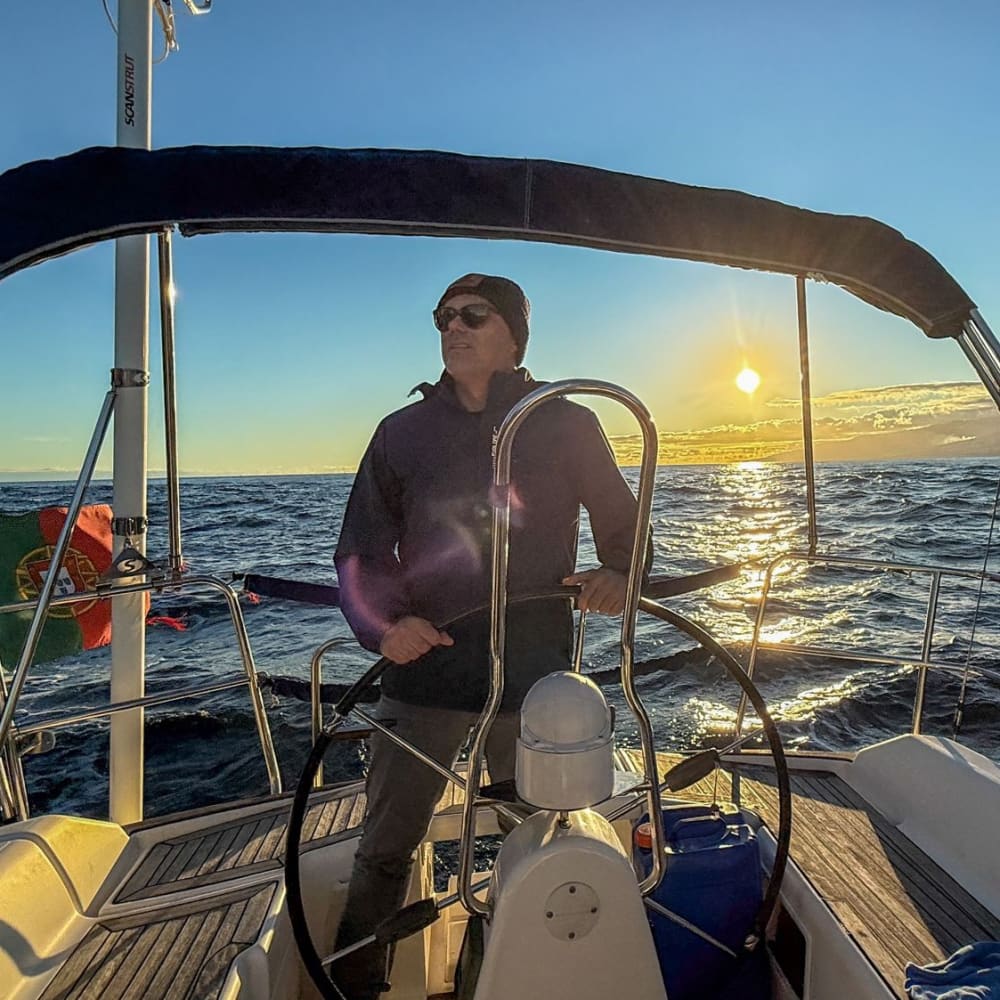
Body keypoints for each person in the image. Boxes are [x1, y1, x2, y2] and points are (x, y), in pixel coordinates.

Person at [331, 273, 647, 998]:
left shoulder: (566, 422)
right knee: (385, 846)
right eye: (443, 316)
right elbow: (361, 551)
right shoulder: (399, 434)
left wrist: (620, 574)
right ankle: (353, 985)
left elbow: (622, 523)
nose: (453, 325)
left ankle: (506, 975)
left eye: (473, 314)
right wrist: (383, 630)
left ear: (514, 335)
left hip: (534, 673)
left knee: (533, 843)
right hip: (425, 672)